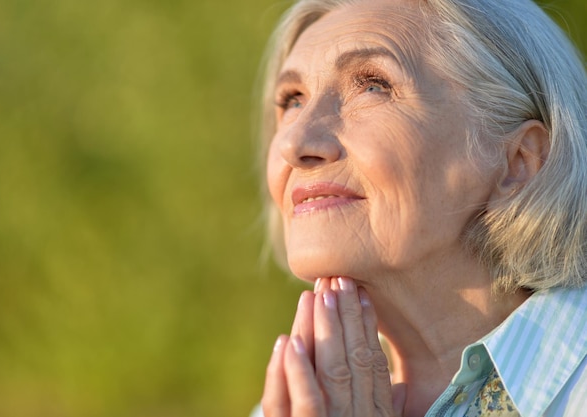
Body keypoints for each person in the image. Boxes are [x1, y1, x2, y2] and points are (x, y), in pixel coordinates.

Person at [251, 0, 587, 416]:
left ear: (518, 161)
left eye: (373, 85)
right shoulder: (293, 406)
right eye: (292, 99)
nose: (294, 143)